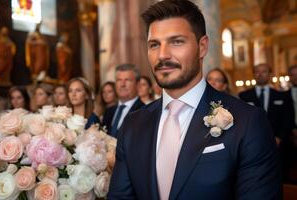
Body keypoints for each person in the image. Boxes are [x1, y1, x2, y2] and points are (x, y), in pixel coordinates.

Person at [108, 1, 281, 199]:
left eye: (176, 41)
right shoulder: (133, 125)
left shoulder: (248, 122)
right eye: (154, 44)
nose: (162, 55)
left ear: (202, 47)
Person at [239, 63, 294, 147]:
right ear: (254, 74)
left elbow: (287, 119)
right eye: (257, 71)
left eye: (264, 71)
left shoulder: (281, 95)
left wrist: (279, 137)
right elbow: (242, 119)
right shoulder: (244, 96)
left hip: (278, 143)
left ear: (270, 74)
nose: (260, 74)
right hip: (252, 142)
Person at [102, 64, 145, 137]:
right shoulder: (109, 111)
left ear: (137, 84)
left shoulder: (144, 112)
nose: (122, 84)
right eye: (119, 80)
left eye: (127, 80)